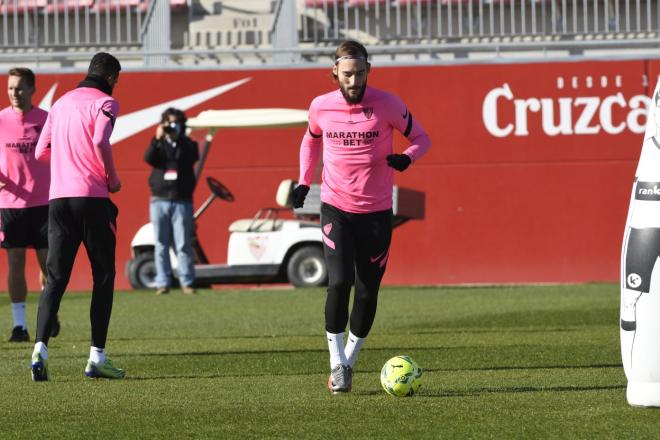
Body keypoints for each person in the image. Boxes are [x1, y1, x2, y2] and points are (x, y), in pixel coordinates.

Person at [292, 40, 431, 393]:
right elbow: (310, 141)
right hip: (335, 207)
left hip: (376, 212)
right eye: (348, 74)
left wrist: (408, 158)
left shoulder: (388, 104)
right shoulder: (321, 107)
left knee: (368, 292)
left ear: (369, 71)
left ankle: (348, 362)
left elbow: (422, 137)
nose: (354, 81)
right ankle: (336, 363)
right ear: (335, 72)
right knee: (338, 282)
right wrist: (303, 182)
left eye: (361, 74)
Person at [31, 52, 124, 381]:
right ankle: (96, 357)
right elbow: (100, 139)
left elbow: (42, 151)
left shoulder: (60, 105)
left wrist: (67, 160)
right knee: (103, 276)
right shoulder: (105, 103)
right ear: (111, 78)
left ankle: (39, 349)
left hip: (58, 200)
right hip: (92, 199)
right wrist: (111, 178)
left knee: (55, 279)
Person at [0, 67, 60, 342]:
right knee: (15, 262)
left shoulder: (47, 120)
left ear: (33, 89)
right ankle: (20, 325)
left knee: (48, 265)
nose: (15, 93)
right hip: (11, 204)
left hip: (44, 203)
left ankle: (49, 314)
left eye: (20, 87)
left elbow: (61, 155)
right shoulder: (0, 120)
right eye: (11, 87)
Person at [144, 108, 199, 295]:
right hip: (159, 199)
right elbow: (149, 159)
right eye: (168, 122)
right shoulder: (158, 144)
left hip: (181, 199)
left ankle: (187, 281)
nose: (171, 126)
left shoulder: (188, 144)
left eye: (175, 122)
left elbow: (191, 157)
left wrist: (178, 138)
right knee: (161, 243)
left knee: (183, 243)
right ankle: (163, 282)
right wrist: (157, 139)